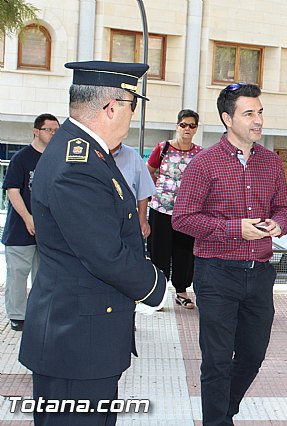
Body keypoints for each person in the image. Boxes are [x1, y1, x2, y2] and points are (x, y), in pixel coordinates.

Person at [18, 60, 167, 426]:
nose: (132, 116)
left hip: (84, 335)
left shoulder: (87, 151)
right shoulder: (79, 162)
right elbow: (104, 253)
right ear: (112, 107)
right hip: (76, 340)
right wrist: (156, 287)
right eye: (133, 105)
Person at [172, 83, 287, 426]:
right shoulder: (204, 163)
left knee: (252, 356)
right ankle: (217, 421)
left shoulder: (271, 162)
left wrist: (278, 223)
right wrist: (235, 228)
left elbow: (283, 207)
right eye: (249, 113)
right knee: (217, 360)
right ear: (227, 118)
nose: (258, 120)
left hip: (260, 274)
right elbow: (182, 218)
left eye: (260, 111)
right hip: (216, 274)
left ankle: (224, 412)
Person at [2, 113, 59, 332]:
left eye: (56, 130)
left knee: (44, 275)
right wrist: (28, 218)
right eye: (49, 130)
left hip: (48, 229)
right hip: (20, 229)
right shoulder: (21, 158)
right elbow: (13, 191)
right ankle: (17, 315)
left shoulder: (57, 158)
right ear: (36, 131)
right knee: (17, 274)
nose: (53, 134)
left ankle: (39, 312)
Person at [146, 109, 203, 309]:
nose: (187, 129)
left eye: (192, 125)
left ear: (196, 129)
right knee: (158, 252)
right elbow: (149, 171)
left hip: (187, 214)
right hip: (160, 210)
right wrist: (159, 189)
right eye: (184, 124)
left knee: (185, 254)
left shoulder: (200, 153)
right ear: (177, 126)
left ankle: (181, 291)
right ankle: (158, 294)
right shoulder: (163, 148)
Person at [111, 142, 155, 237]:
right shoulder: (90, 152)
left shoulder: (132, 155)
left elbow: (143, 190)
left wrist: (142, 219)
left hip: (125, 220)